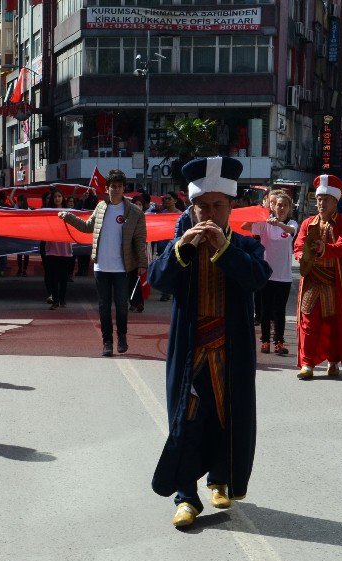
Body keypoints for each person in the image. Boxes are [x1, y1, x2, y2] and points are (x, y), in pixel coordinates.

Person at [148, 156, 272, 528]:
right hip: (190, 348)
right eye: (203, 205)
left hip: (230, 348)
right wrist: (181, 249)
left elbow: (257, 278)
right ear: (192, 206)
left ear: (231, 208)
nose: (210, 212)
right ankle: (186, 497)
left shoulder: (247, 245)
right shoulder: (179, 242)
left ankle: (220, 479)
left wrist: (225, 249)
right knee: (186, 420)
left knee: (226, 416)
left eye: (218, 205)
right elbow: (158, 280)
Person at [59, 169, 148, 356]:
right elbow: (87, 227)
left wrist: (142, 264)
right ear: (107, 189)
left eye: (119, 186)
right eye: (112, 187)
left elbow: (140, 240)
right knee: (104, 306)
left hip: (123, 267)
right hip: (101, 266)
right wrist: (69, 217)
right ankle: (107, 342)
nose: (115, 190)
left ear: (124, 188)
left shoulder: (135, 213)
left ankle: (122, 335)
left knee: (122, 305)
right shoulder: (100, 207)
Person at [293, 174, 342, 379]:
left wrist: (323, 248)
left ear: (335, 201)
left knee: (333, 324)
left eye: (326, 200)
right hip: (312, 281)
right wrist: (300, 255)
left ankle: (333, 362)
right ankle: (307, 363)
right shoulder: (307, 223)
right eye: (319, 199)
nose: (321, 203)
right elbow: (298, 245)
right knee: (308, 321)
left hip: (334, 283)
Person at [252, 189, 297, 355]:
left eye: (285, 205)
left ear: (289, 208)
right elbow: (246, 227)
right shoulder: (265, 224)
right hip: (267, 274)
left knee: (280, 311)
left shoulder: (292, 224)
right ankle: (265, 341)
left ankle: (279, 342)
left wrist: (277, 224)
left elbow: (291, 232)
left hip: (284, 276)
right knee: (265, 310)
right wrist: (257, 215)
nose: (282, 208)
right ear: (273, 206)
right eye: (279, 205)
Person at [43, 187, 72, 309]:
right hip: (52, 250)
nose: (57, 198)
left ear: (62, 198)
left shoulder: (69, 212)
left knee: (64, 278)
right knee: (53, 277)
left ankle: (62, 300)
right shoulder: (47, 211)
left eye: (59, 196)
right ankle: (55, 300)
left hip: (65, 250)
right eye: (55, 197)